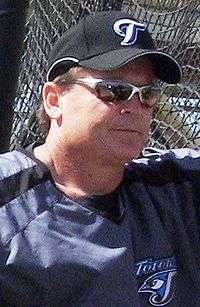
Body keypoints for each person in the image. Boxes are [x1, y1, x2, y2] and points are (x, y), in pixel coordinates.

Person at [0, 10, 199, 307]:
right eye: (114, 90)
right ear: (54, 101)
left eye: (147, 94)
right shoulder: (9, 204)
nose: (134, 106)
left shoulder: (178, 187)